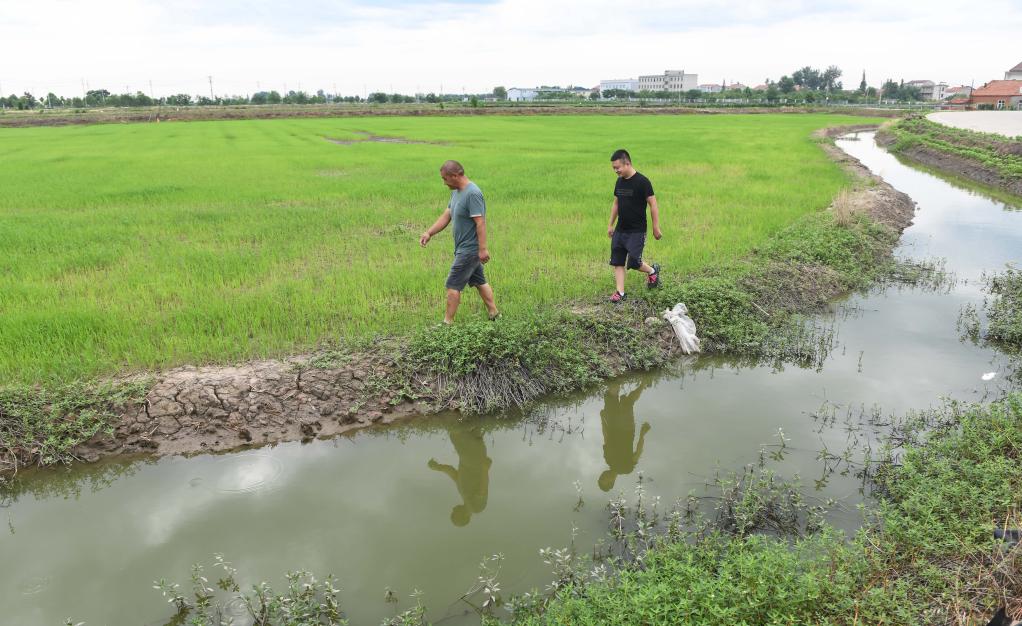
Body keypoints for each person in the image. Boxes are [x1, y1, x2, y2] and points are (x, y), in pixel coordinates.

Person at [420, 160, 500, 324]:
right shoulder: (456, 191)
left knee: (453, 285)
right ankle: (495, 314)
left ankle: (447, 324)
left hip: (469, 250)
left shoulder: (473, 193)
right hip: (464, 248)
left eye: (445, 179)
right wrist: (429, 232)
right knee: (479, 281)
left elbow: (480, 222)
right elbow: (447, 214)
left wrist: (482, 249)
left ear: (455, 176)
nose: (444, 183)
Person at [607, 149, 662, 302]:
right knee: (617, 260)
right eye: (613, 168)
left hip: (637, 231)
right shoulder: (619, 181)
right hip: (621, 229)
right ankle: (620, 293)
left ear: (628, 163)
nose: (616, 171)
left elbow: (653, 204)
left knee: (634, 262)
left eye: (617, 167)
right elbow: (616, 203)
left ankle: (652, 271)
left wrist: (655, 227)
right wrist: (611, 224)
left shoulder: (642, 182)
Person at [428, 424, 493, 527]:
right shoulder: (476, 508)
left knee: (469, 429)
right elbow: (482, 490)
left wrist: (438, 467)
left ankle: (474, 414)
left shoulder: (465, 498)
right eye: (454, 512)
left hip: (468, 457)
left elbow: (454, 475)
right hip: (474, 459)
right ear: (461, 515)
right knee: (456, 433)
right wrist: (485, 469)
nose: (453, 509)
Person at [598, 379, 651, 492]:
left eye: (601, 477)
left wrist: (602, 419)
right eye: (604, 479)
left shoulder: (608, 460)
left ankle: (618, 375)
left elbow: (606, 438)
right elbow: (638, 453)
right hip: (627, 428)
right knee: (627, 402)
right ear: (611, 482)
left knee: (611, 396)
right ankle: (643, 384)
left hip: (612, 424)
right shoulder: (626, 468)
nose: (603, 475)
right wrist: (642, 434)